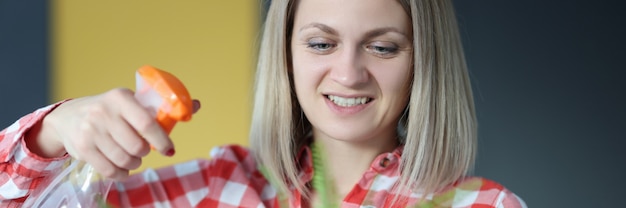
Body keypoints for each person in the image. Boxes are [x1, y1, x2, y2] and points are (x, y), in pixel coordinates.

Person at [0, 0, 527, 207]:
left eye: (382, 46)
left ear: (423, 61)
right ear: (287, 55)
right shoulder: (218, 188)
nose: (348, 73)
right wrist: (54, 130)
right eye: (321, 43)